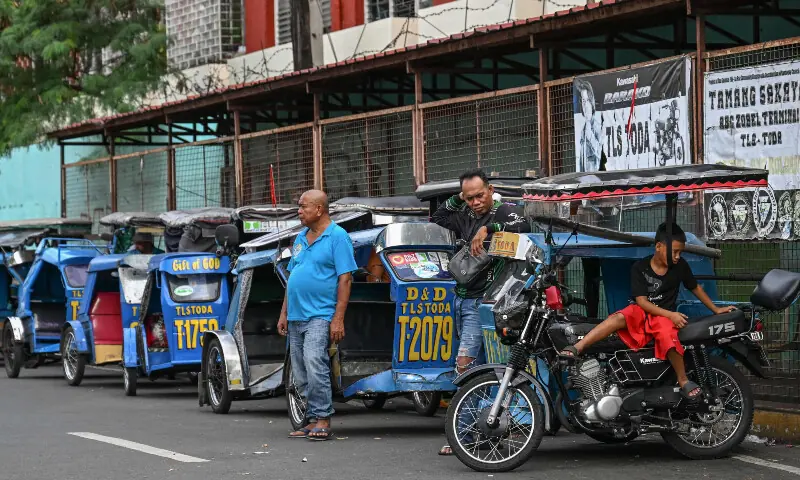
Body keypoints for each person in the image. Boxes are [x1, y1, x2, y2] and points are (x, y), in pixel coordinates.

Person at [559, 223, 737, 401]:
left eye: (680, 253)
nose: (677, 257)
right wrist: (671, 315)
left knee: (669, 335)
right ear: (658, 247)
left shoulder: (680, 266)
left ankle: (683, 380)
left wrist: (716, 309)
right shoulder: (640, 267)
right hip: (643, 312)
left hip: (662, 317)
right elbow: (641, 302)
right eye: (674, 252)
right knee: (620, 317)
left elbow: (695, 287)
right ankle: (577, 347)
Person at [432, 168, 531, 455]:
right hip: (461, 300)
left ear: (490, 189)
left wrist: (489, 228)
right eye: (470, 197)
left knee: (464, 364)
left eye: (479, 195)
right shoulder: (464, 213)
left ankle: (462, 432)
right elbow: (437, 217)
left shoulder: (503, 211)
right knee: (480, 367)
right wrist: (458, 198)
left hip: (487, 302)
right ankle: (485, 428)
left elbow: (522, 225)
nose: (475, 202)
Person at [277, 189, 358, 441]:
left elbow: (345, 279)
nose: (299, 211)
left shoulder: (338, 237)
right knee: (300, 371)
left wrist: (338, 318)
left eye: (303, 207)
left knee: (315, 362)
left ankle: (323, 418)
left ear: (319, 209)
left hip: (320, 315)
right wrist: (283, 314)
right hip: (296, 317)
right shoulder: (301, 237)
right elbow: (292, 278)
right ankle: (311, 419)